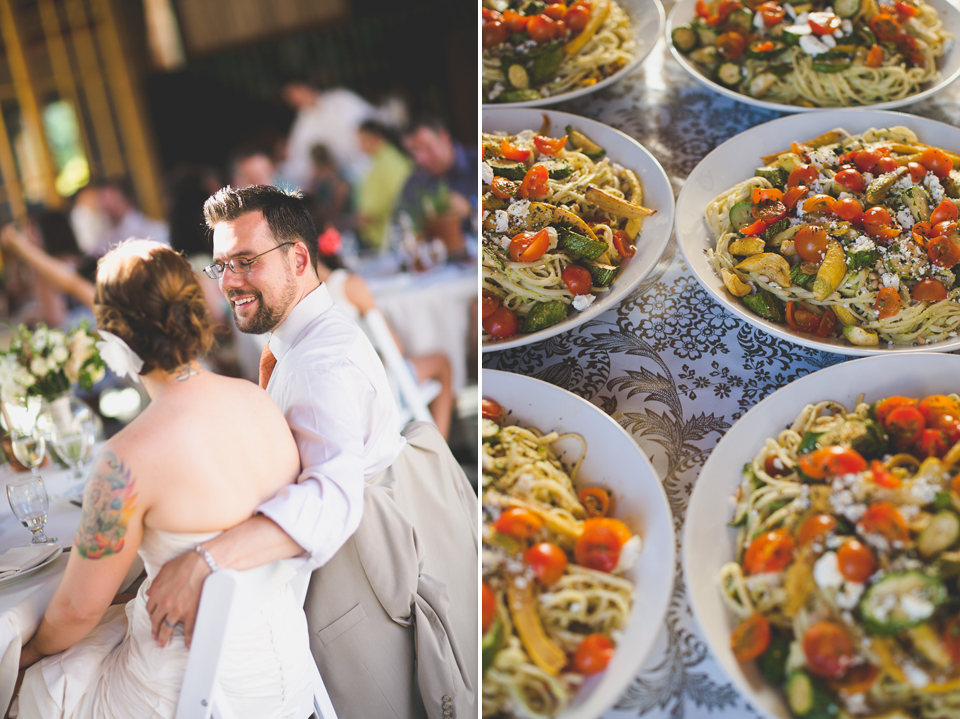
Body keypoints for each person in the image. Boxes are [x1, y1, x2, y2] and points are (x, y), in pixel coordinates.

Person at [143, 185, 478, 719]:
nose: (229, 281)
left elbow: (331, 502)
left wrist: (203, 560)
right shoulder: (302, 345)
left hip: (354, 608)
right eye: (222, 265)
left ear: (299, 256)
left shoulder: (317, 364)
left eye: (246, 261)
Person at [12, 240, 315, 718]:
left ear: (113, 339)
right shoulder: (258, 401)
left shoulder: (124, 462)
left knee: (38, 689)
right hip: (291, 678)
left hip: (198, 693)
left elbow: (76, 612)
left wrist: (20, 658)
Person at [314, 225, 453, 438]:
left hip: (337, 401)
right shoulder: (348, 285)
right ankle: (440, 449)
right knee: (442, 363)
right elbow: (395, 348)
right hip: (380, 389)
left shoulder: (297, 304)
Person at [277, 81, 374, 186]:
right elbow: (297, 157)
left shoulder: (341, 100)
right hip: (347, 179)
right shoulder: (303, 123)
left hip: (370, 162)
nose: (297, 99)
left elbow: (372, 123)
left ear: (307, 86)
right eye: (290, 98)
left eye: (296, 92)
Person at [400, 115, 477, 246]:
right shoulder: (413, 183)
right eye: (414, 153)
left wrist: (472, 209)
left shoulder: (478, 163)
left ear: (444, 137)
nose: (421, 159)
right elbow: (402, 222)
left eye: (427, 148)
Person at [354, 120, 413, 252]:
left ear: (376, 137)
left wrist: (359, 218)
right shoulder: (384, 160)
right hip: (387, 236)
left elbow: (375, 209)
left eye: (362, 139)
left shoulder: (388, 163)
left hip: (391, 238)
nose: (359, 145)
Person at [94, 179, 169, 255]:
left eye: (111, 201)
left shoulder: (155, 230)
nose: (105, 207)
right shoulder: (108, 233)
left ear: (126, 200)